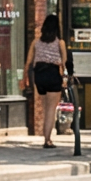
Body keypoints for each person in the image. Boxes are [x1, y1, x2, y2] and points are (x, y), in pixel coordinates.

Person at [27, 15, 69, 146]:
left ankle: (46, 136)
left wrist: (25, 77)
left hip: (39, 75)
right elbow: (64, 63)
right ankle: (47, 139)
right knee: (51, 109)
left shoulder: (36, 42)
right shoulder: (60, 42)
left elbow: (29, 61)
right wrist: (65, 78)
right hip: (53, 74)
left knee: (45, 108)